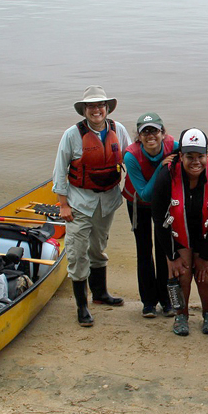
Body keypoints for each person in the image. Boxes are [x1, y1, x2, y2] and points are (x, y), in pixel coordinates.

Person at [52, 86, 131, 327]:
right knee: (77, 253)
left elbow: (132, 158)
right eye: (91, 106)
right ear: (84, 110)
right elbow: (59, 171)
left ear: (107, 108)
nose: (96, 110)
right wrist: (62, 204)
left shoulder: (119, 130)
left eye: (100, 106)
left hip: (107, 201)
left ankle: (100, 294)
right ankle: (82, 306)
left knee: (98, 247)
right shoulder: (71, 135)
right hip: (79, 203)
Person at [151, 128, 208, 336]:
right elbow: (158, 220)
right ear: (180, 156)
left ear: (207, 155)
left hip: (207, 231)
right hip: (178, 233)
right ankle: (181, 315)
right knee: (180, 275)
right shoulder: (166, 176)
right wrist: (172, 256)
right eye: (190, 156)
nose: (196, 162)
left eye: (200, 156)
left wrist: (205, 255)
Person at [121, 112, 179, 318]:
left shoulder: (174, 146)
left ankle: (166, 301)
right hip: (139, 204)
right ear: (139, 136)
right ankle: (148, 302)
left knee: (164, 251)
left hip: (163, 204)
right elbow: (145, 192)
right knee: (144, 251)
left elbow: (194, 154)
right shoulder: (130, 155)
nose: (150, 136)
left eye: (154, 131)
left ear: (163, 133)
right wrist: (162, 167)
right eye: (145, 132)